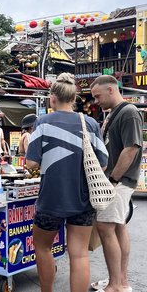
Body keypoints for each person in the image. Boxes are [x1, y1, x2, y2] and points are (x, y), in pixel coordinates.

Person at [26, 73, 108, 292]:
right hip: (82, 199)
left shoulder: (41, 122)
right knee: (79, 253)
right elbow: (103, 164)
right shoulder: (90, 123)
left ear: (52, 98)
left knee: (43, 248)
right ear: (73, 98)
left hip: (50, 199)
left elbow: (31, 162)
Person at [90, 75, 142, 292]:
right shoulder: (114, 114)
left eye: (97, 96)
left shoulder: (129, 112)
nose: (96, 101)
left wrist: (112, 181)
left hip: (119, 181)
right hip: (116, 180)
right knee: (118, 227)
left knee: (105, 227)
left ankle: (115, 286)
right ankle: (121, 281)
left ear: (111, 89)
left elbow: (132, 148)